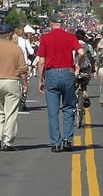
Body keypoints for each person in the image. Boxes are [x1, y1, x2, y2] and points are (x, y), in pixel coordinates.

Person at [37, 14, 84, 153]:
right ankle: (67, 140)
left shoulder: (45, 38)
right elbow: (81, 52)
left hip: (51, 74)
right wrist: (77, 65)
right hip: (68, 73)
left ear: (51, 24)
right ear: (61, 24)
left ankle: (55, 143)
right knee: (68, 107)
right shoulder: (70, 37)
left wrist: (40, 79)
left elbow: (41, 62)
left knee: (53, 111)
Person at [14, 27, 35, 111]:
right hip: (23, 64)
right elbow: (31, 51)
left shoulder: (12, 40)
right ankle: (23, 102)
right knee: (25, 84)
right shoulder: (25, 40)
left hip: (13, 65)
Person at [74, 30, 94, 109]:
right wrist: (93, 69)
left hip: (74, 68)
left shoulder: (72, 44)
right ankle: (85, 95)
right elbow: (92, 57)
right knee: (84, 85)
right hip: (86, 68)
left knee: (73, 84)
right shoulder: (88, 46)